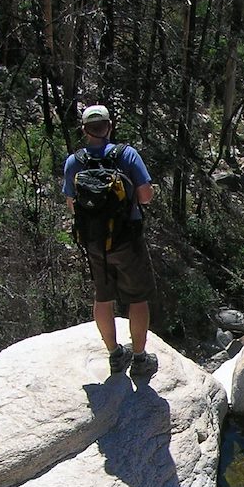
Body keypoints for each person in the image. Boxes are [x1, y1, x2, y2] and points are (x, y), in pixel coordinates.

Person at [62, 103, 159, 379]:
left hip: (95, 242)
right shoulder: (126, 155)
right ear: (109, 126)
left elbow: (72, 205)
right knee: (137, 299)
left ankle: (115, 355)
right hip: (127, 238)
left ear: (85, 130)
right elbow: (145, 196)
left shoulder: (74, 162)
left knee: (103, 297)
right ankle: (139, 359)